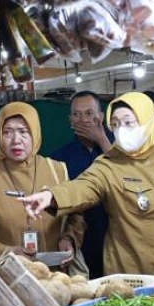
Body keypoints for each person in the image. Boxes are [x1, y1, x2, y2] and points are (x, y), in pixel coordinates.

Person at [20, 92, 154, 276]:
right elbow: (84, 186)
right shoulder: (110, 164)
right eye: (115, 124)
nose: (122, 130)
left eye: (129, 123)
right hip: (134, 276)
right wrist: (51, 197)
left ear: (148, 120)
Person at [0, 102, 87, 275]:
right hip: (9, 277)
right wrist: (6, 251)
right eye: (7, 132)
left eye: (23, 131)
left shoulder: (57, 170)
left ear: (35, 132)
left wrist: (69, 239)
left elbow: (75, 215)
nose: (16, 140)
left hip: (57, 276)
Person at [50, 91, 113, 278]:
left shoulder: (118, 147)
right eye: (77, 114)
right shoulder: (59, 158)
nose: (83, 120)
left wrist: (102, 140)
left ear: (100, 117)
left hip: (116, 234)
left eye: (89, 114)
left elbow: (123, 177)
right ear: (70, 119)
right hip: (81, 239)